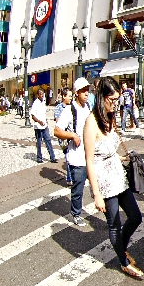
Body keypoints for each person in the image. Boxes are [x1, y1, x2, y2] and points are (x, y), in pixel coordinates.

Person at [84, 77, 144, 279]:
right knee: (114, 224)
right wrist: (96, 194)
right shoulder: (91, 123)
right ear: (102, 97)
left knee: (136, 216)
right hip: (104, 181)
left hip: (119, 176)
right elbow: (90, 161)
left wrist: (122, 157)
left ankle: (121, 248)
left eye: (118, 99)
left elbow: (108, 150)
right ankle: (123, 261)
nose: (116, 103)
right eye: (113, 99)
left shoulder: (110, 117)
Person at [54, 78, 91, 226]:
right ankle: (76, 213)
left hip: (90, 154)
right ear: (76, 93)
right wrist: (72, 135)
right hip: (76, 156)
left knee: (99, 182)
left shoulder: (88, 106)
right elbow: (57, 131)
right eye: (83, 90)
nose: (86, 93)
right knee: (78, 187)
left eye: (87, 90)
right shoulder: (69, 110)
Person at [30, 88, 57, 163]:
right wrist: (39, 121)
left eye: (43, 94)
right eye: (41, 94)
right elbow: (33, 116)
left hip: (45, 126)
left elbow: (43, 113)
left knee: (48, 141)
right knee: (39, 143)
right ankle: (39, 158)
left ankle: (52, 157)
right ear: (38, 95)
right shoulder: (35, 103)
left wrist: (45, 121)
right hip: (38, 127)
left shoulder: (43, 102)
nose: (42, 95)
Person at [54, 88, 74, 184]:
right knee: (68, 156)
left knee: (72, 155)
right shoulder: (59, 108)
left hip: (71, 135)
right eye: (69, 96)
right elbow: (58, 123)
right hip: (64, 137)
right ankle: (70, 179)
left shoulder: (72, 107)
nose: (71, 98)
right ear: (64, 96)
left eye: (71, 95)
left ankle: (72, 177)